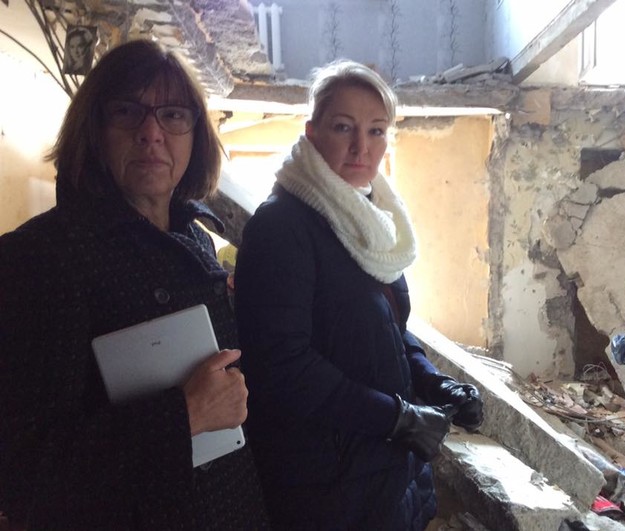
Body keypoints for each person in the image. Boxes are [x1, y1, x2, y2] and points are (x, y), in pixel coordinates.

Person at [0, 39, 269, 530]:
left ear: (195, 135)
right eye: (127, 112)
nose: (151, 133)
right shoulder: (37, 257)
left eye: (173, 115)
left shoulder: (195, 239)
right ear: (94, 129)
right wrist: (184, 415)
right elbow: (22, 467)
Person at [233, 59, 484, 530]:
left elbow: (392, 329)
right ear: (312, 132)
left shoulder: (370, 222)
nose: (361, 147)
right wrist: (398, 418)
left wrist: (434, 382)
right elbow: (281, 366)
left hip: (384, 474)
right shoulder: (282, 227)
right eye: (343, 127)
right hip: (325, 487)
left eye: (376, 131)